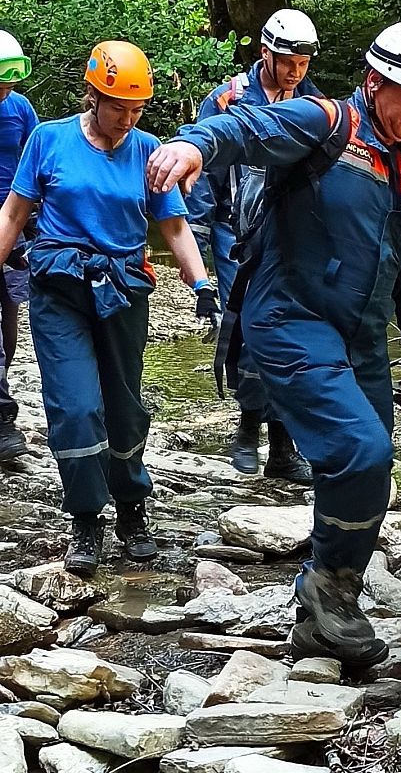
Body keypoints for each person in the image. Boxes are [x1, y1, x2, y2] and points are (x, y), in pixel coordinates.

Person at [146, 22, 401, 665]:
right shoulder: (324, 122)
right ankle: (325, 591)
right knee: (360, 448)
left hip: (363, 333)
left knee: (375, 472)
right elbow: (247, 128)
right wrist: (192, 144)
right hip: (290, 315)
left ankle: (331, 594)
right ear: (375, 83)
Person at [0, 40, 217, 576]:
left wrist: (203, 287)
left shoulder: (149, 151)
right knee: (75, 407)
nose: (127, 118)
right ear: (92, 95)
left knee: (123, 408)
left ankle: (131, 508)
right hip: (60, 292)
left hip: (123, 292)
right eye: (118, 106)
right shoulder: (48, 140)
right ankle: (85, 522)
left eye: (137, 109)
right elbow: (13, 214)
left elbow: (172, 226)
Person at [185, 8, 321, 483]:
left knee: (291, 331)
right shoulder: (226, 101)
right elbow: (204, 173)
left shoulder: (313, 103)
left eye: (303, 62)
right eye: (288, 61)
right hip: (235, 229)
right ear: (266, 53)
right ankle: (247, 430)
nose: (295, 71)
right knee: (247, 325)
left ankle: (283, 445)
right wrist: (197, 240)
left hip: (289, 234)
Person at [0, 30, 37, 461]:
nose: (6, 87)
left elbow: (36, 164)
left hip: (16, 223)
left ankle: (0, 387)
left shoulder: (20, 109)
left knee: (9, 311)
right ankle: (3, 419)